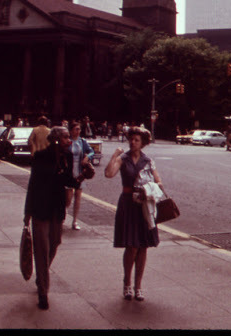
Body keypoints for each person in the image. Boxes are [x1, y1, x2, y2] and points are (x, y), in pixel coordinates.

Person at [24, 125, 84, 310]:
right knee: (41, 249)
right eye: (66, 137)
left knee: (55, 242)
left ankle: (41, 275)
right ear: (57, 139)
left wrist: (82, 177)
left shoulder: (66, 157)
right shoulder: (41, 157)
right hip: (40, 209)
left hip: (56, 210)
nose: (69, 140)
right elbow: (32, 184)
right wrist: (27, 213)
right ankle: (43, 291)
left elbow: (68, 181)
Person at [104, 126, 163, 302]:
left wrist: (153, 187)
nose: (133, 142)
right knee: (132, 246)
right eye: (131, 139)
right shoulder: (124, 158)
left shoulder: (148, 160)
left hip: (144, 205)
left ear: (143, 143)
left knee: (143, 245)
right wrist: (114, 155)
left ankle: (138, 286)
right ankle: (127, 283)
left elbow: (159, 181)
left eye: (137, 140)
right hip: (128, 203)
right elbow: (109, 174)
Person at [65, 120, 95, 230]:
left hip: (79, 171)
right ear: (71, 130)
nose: (78, 131)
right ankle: (63, 214)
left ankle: (75, 221)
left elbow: (91, 151)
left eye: (79, 129)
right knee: (68, 198)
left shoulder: (82, 141)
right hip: (69, 172)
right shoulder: (67, 141)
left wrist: (87, 157)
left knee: (78, 196)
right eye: (76, 129)